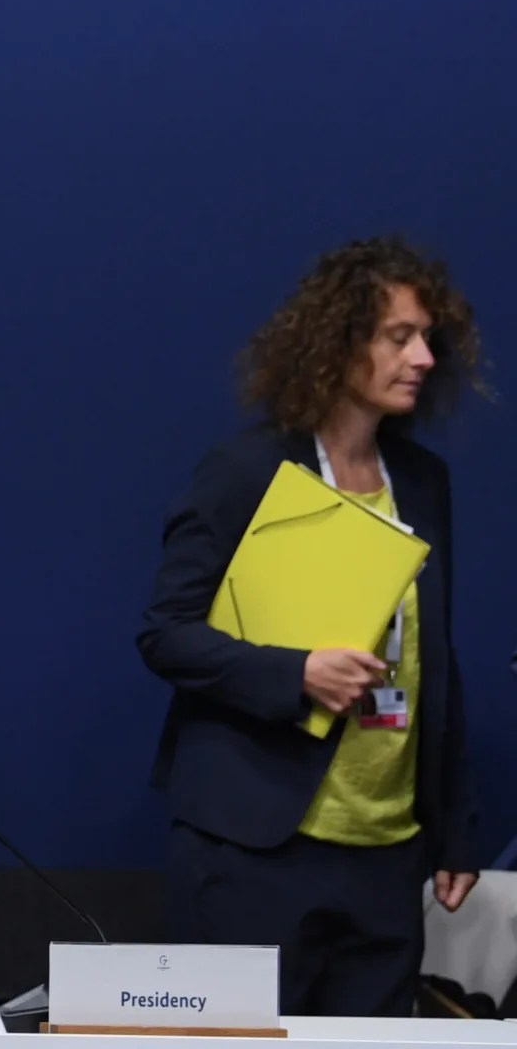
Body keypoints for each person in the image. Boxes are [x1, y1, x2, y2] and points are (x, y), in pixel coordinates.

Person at [139, 237, 483, 1017]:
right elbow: (165, 631)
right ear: (338, 341)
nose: (425, 356)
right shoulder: (246, 469)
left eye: (430, 337)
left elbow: (438, 660)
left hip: (388, 851)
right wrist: (294, 674)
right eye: (400, 336)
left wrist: (454, 826)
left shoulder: (425, 482)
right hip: (258, 844)